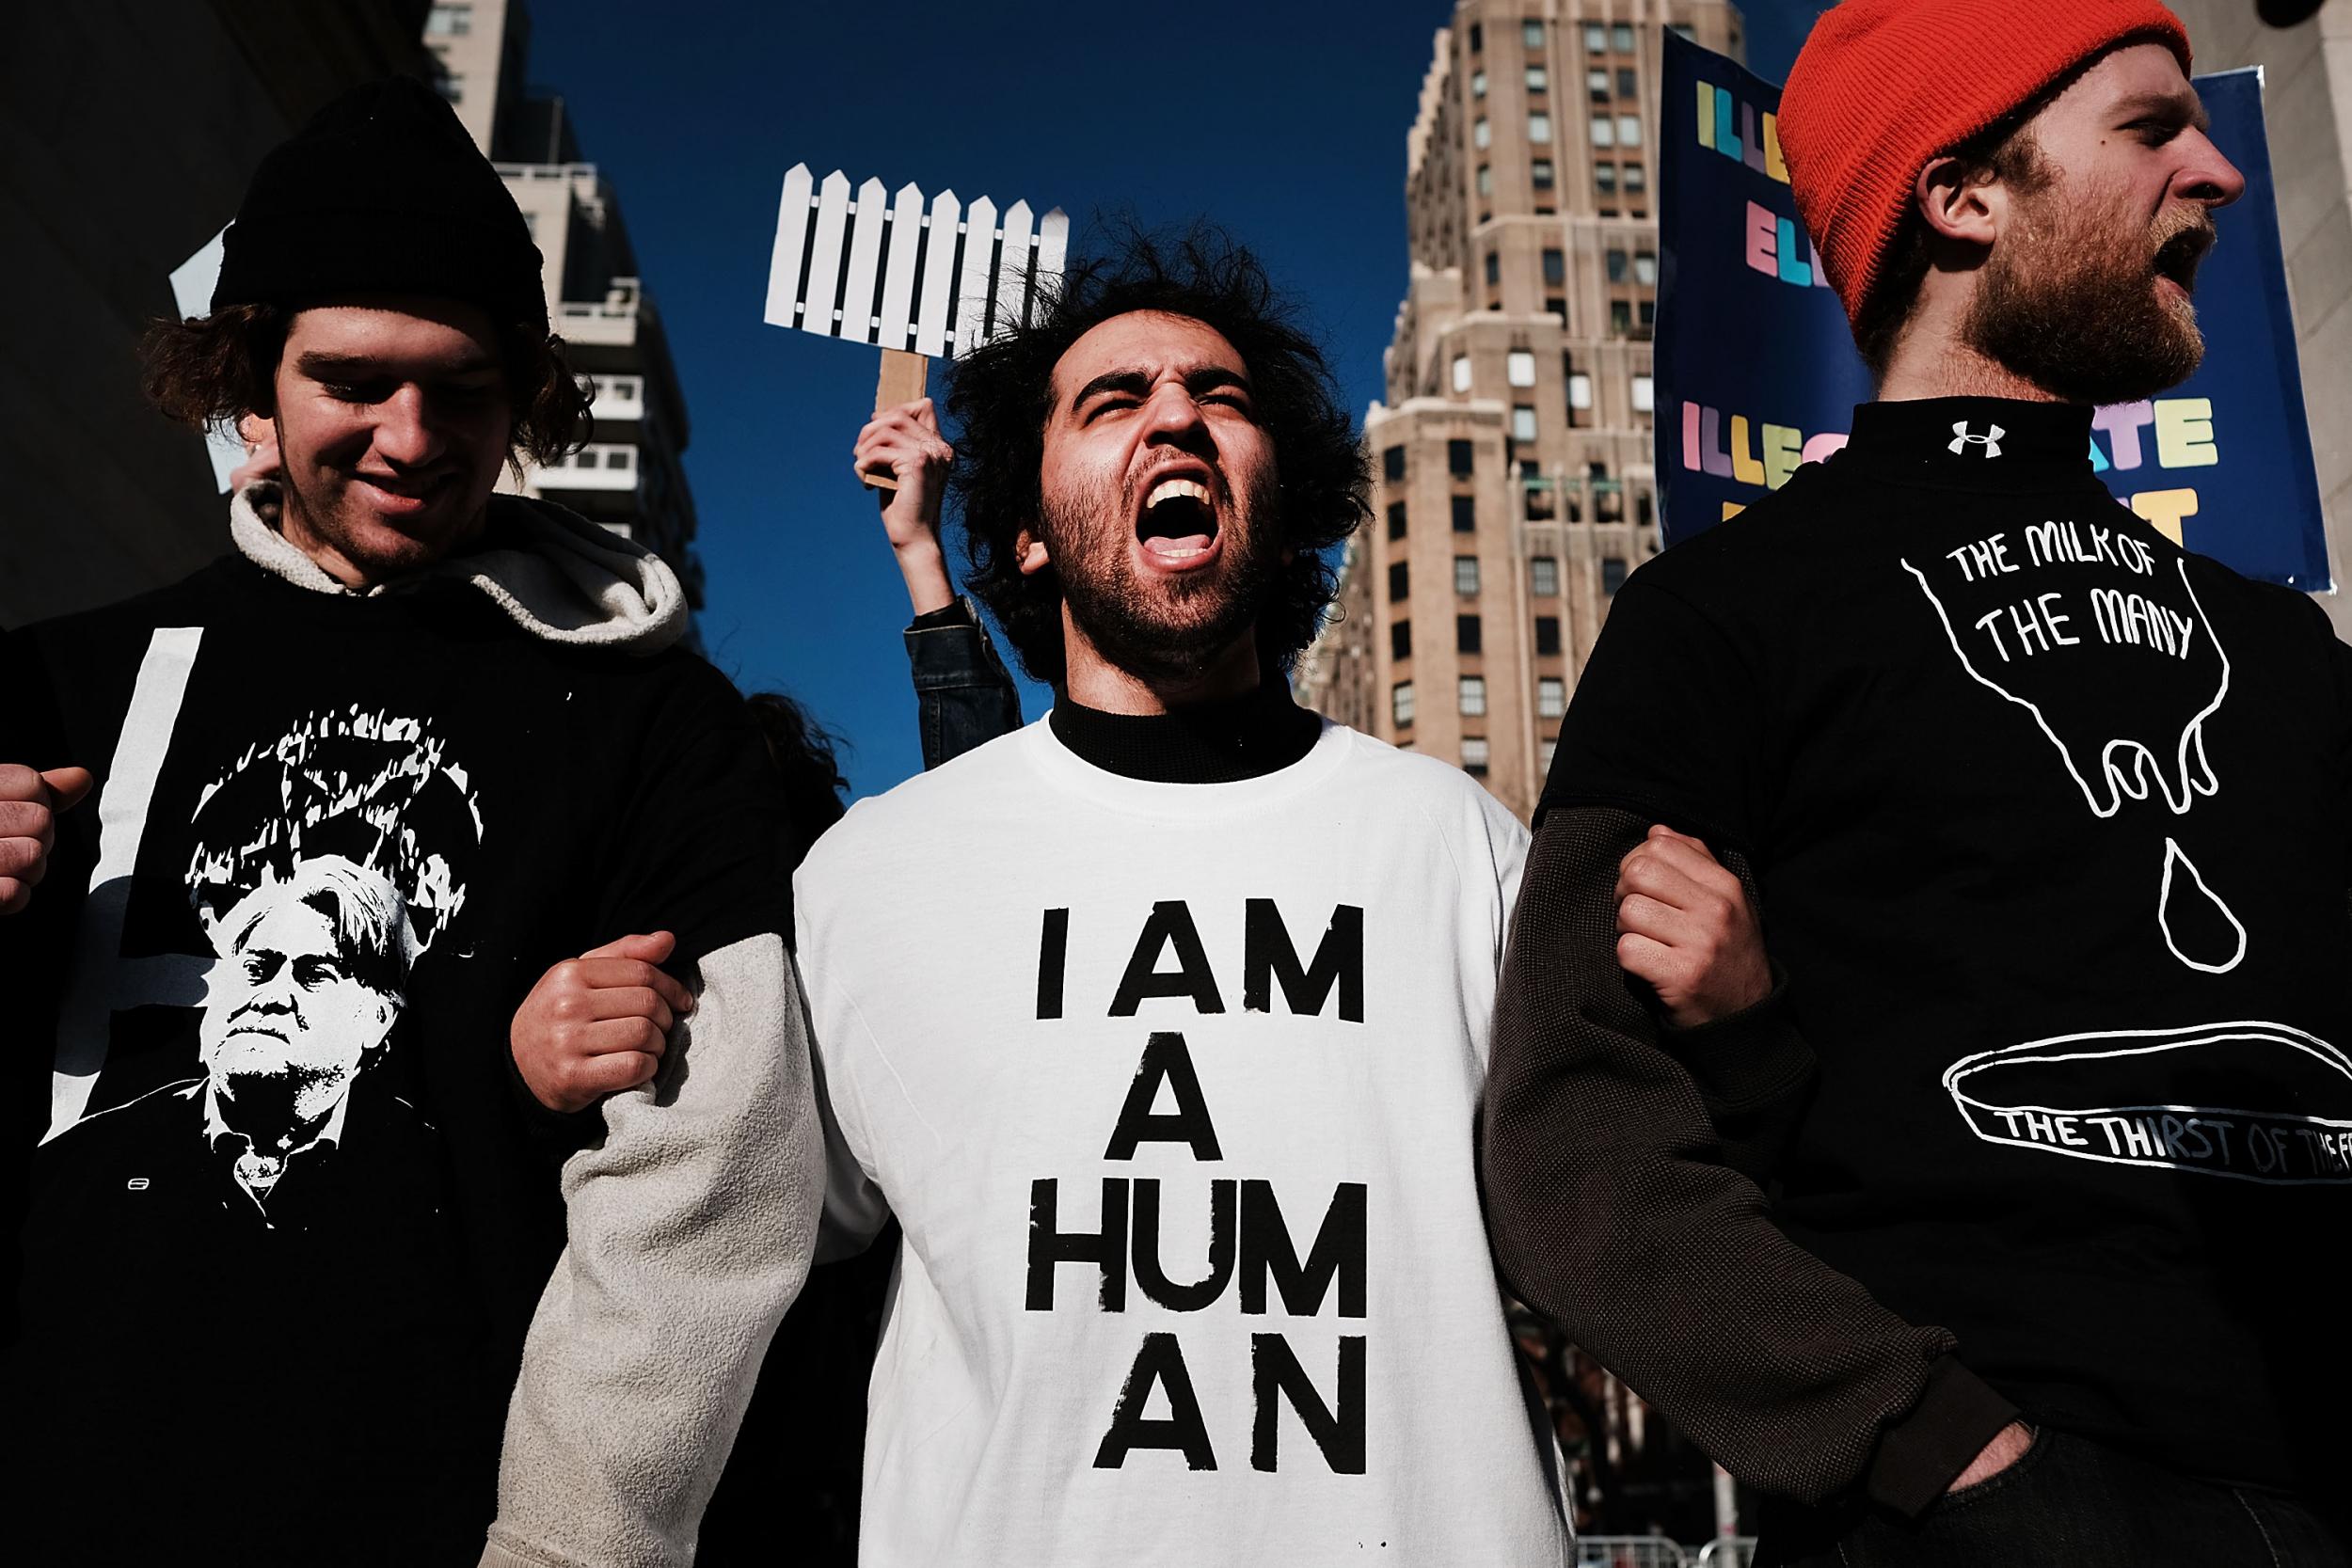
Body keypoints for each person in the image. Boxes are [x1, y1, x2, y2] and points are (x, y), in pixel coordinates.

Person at [1483, 3, 2352, 1564]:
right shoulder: (1724, 617)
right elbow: (1576, 1133)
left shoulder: (2281, 646)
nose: (2220, 170)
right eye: (2152, 130)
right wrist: (1936, 1450)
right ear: (1962, 196)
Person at [0, 77, 820, 1567]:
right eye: (355, 380)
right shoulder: (58, 687)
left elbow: (716, 1181)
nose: (411, 436)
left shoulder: (655, 727)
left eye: (465, 387)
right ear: (251, 378)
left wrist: (571, 1553)